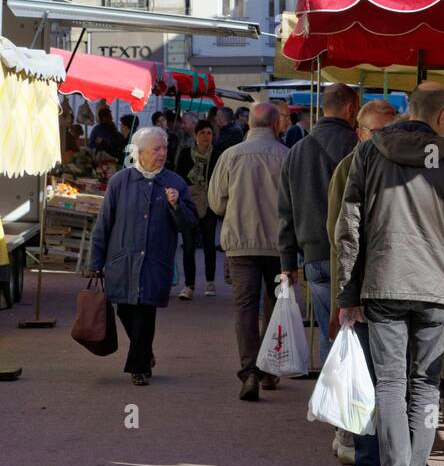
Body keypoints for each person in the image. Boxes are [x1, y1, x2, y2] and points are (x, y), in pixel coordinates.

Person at [336, 85, 444, 466]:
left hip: (381, 282)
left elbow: (349, 225)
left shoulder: (369, 153)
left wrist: (349, 292)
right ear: (443, 118)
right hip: (433, 287)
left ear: (410, 111)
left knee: (389, 384)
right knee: (424, 385)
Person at [326, 98, 399, 466]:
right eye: (377, 132)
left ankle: (394, 464)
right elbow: (341, 236)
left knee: (392, 379)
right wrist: (345, 298)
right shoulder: (349, 168)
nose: (384, 139)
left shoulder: (399, 164)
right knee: (367, 378)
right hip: (365, 290)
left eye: (390, 131)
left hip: (395, 290)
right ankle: (370, 462)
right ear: (360, 132)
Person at [88, 126, 197, 386]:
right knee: (125, 310)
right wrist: (96, 262)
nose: (162, 154)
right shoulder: (120, 181)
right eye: (156, 149)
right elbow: (103, 224)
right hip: (121, 261)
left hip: (154, 262)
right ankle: (145, 354)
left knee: (145, 313)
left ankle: (138, 367)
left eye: (165, 149)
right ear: (139, 152)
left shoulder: (175, 183)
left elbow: (190, 225)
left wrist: (176, 206)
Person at [209, 102, 292, 401]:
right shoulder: (286, 156)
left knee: (245, 309)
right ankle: (269, 368)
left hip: (240, 244)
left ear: (249, 124)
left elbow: (216, 203)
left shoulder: (230, 156)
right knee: (273, 308)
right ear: (275, 125)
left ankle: (249, 372)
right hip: (278, 246)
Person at [278, 84, 360, 365]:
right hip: (351, 257)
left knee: (329, 332)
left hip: (312, 256)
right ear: (350, 108)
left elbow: (285, 211)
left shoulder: (296, 151)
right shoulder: (357, 146)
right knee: (357, 334)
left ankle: (328, 404)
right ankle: (353, 404)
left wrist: (287, 262)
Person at [176, 120, 217, 298]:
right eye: (202, 133)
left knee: (209, 244)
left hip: (209, 204)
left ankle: (210, 282)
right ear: (196, 135)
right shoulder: (185, 153)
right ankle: (189, 285)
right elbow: (178, 176)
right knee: (189, 245)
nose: (206, 136)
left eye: (209, 133)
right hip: (189, 203)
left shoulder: (217, 155)